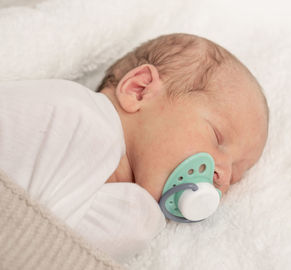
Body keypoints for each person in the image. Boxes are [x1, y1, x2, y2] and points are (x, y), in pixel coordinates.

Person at [0, 33, 269, 262]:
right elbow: (45, 243)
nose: (221, 174)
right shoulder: (84, 120)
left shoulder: (106, 177)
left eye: (235, 175)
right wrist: (143, 216)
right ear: (139, 90)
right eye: (217, 137)